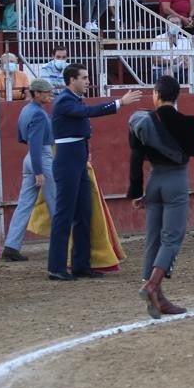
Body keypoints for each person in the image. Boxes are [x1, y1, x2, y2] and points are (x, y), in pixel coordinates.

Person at [47, 64, 141, 281]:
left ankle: (81, 264)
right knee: (64, 214)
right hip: (68, 159)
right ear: (72, 80)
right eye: (84, 77)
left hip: (77, 156)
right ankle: (56, 267)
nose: (88, 81)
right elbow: (87, 113)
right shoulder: (64, 101)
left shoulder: (72, 99)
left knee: (83, 213)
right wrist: (119, 103)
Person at [130, 74, 194, 318]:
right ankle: (151, 285)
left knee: (153, 239)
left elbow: (135, 160)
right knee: (171, 238)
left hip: (154, 181)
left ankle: (158, 297)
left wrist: (138, 192)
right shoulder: (189, 122)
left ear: (156, 95)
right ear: (176, 96)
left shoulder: (142, 122)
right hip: (175, 180)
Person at [2, 79, 57, 262]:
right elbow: (35, 143)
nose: (51, 95)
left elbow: (22, 138)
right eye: (48, 92)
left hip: (30, 158)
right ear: (37, 94)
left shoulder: (26, 110)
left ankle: (11, 245)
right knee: (55, 203)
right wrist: (40, 171)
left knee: (24, 204)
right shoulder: (39, 114)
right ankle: (64, 246)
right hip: (40, 157)